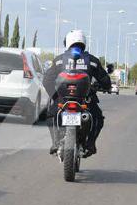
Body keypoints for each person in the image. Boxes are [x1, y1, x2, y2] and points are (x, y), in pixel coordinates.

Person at [42, 29, 112, 157]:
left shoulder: (59, 60)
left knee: (51, 115)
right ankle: (90, 144)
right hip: (85, 100)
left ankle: (55, 143)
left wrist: (55, 95)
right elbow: (106, 82)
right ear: (83, 42)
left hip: (63, 99)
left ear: (68, 42)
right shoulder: (92, 61)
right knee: (97, 118)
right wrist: (103, 87)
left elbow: (47, 79)